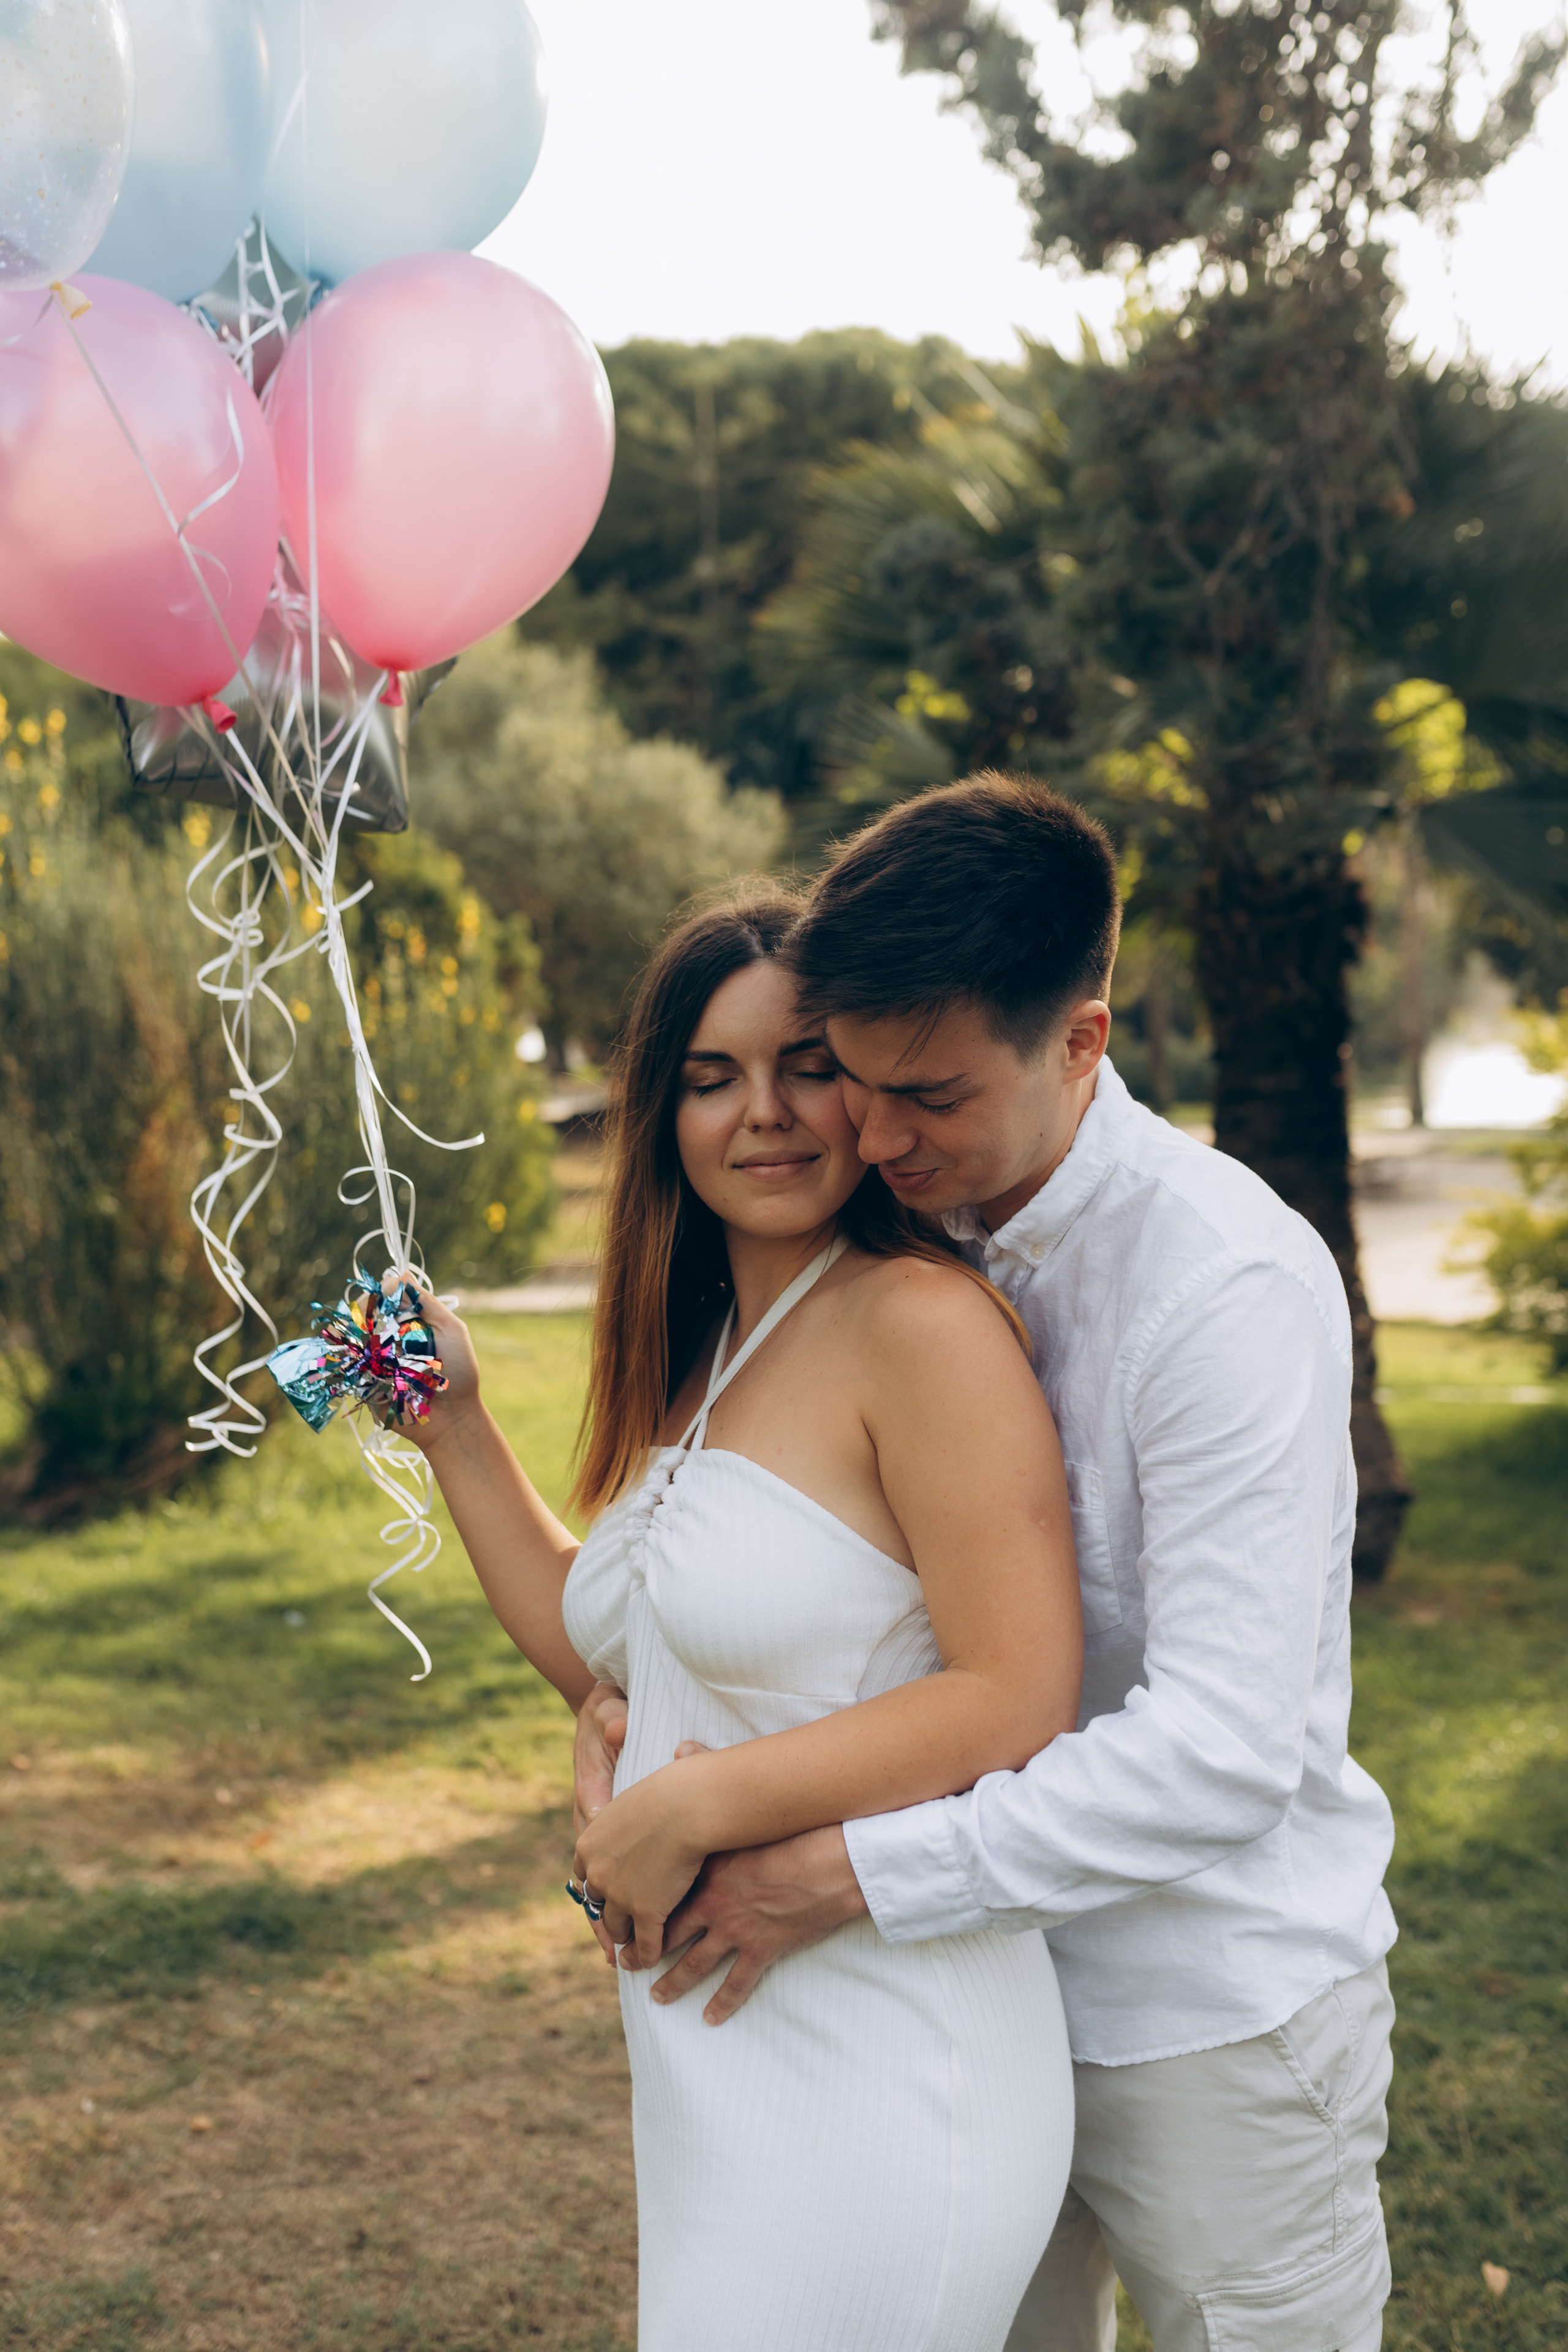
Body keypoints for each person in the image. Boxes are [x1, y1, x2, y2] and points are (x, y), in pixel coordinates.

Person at [576, 778, 1398, 2352]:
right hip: (952, 2017)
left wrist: (844, 1874)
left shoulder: (1218, 1283)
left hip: (1202, 2013)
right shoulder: (909, 1230)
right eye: (856, 1082)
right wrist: (620, 1715)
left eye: (929, 1097)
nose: (871, 1136)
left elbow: (1221, 1750)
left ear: (1078, 1042)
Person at [406, 888, 1085, 2352]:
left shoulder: (918, 1327)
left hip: (894, 2047)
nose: (762, 1115)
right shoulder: (704, 1345)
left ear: (870, 1085)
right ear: (660, 1114)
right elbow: (622, 1650)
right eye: (711, 1079)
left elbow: (1015, 1688)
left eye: (805, 1067)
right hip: (717, 2050)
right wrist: (455, 1426)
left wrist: (689, 1799)